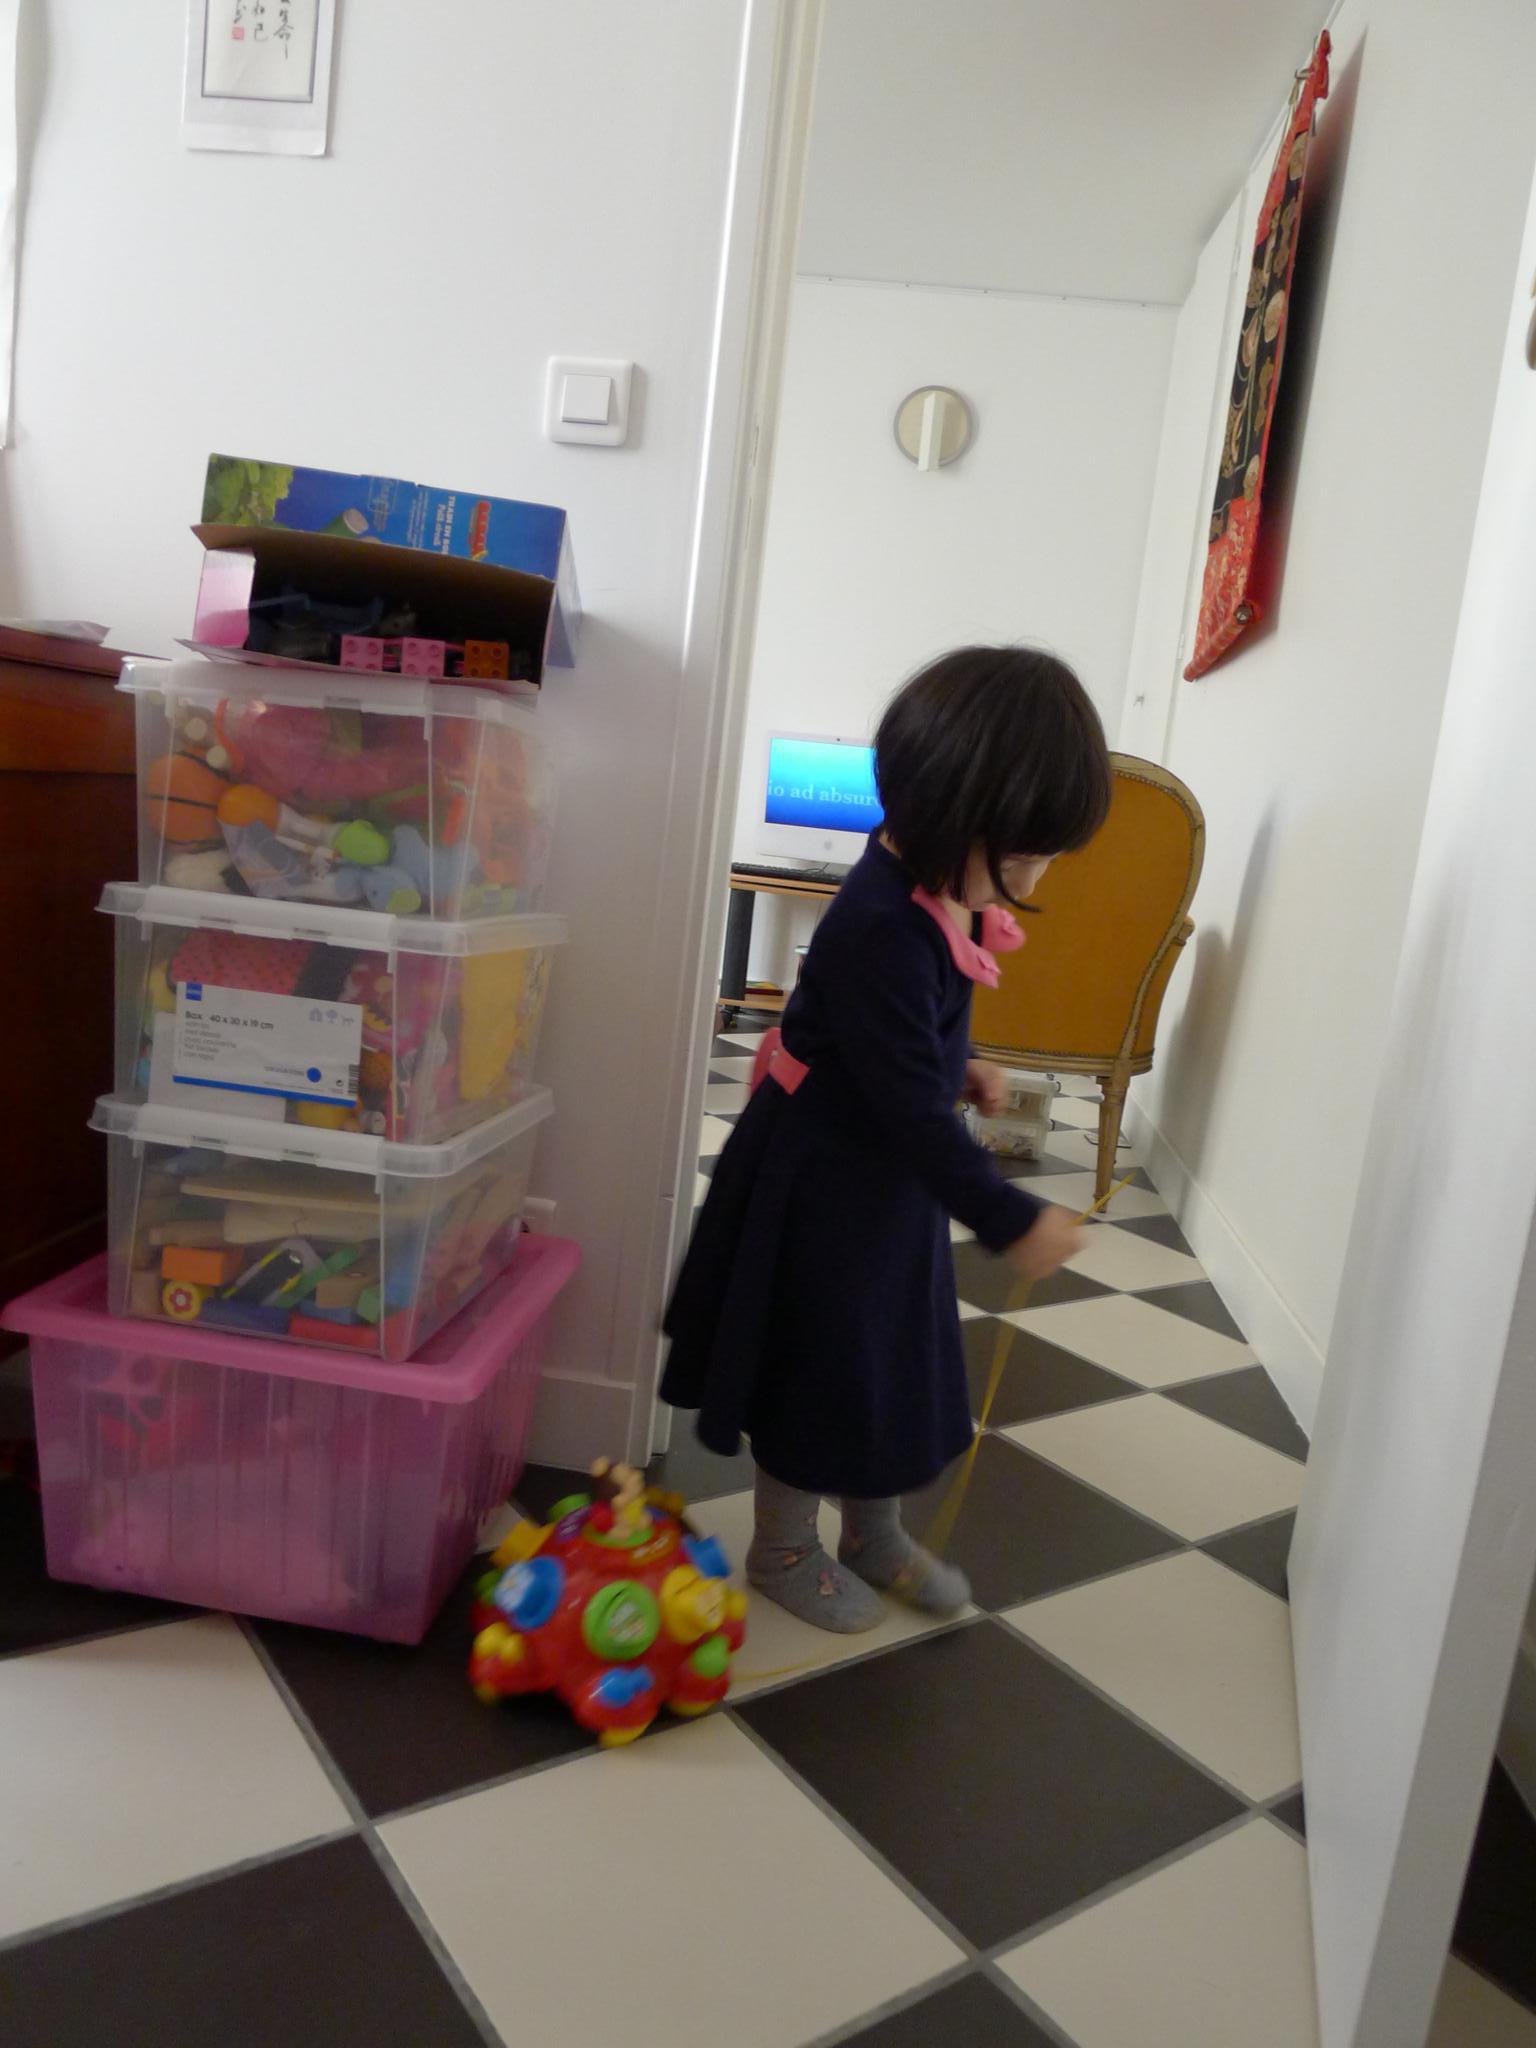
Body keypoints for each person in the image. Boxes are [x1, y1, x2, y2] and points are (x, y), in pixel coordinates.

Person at [661, 646, 1112, 1632]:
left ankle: (874, 1532)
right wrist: (1007, 1215)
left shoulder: (938, 886)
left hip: (883, 1184)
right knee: (820, 1361)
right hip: (824, 1183)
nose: (1030, 881)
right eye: (1020, 859)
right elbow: (905, 1106)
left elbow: (904, 1042)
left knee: (887, 1361)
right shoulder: (878, 924)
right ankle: (784, 1545)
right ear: (951, 812)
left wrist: (960, 1063)